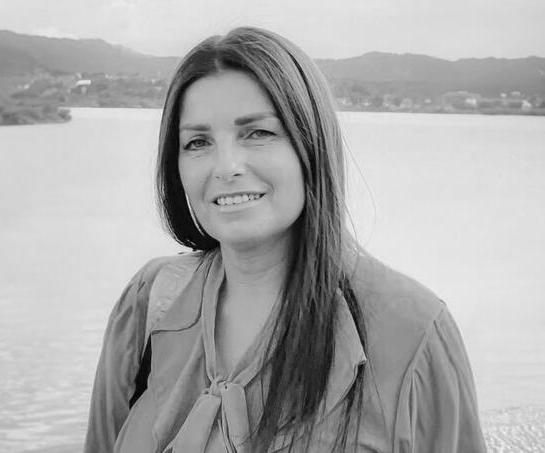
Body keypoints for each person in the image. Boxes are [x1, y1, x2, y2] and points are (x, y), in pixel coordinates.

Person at [84, 27, 487, 452]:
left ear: (311, 144)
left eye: (258, 133)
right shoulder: (151, 302)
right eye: (198, 142)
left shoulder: (411, 331)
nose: (226, 166)